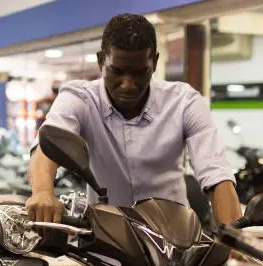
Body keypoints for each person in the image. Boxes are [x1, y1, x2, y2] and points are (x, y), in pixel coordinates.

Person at [27, 13, 241, 225]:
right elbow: (45, 148)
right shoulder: (80, 99)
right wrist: (43, 192)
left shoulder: (185, 102)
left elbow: (216, 174)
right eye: (117, 72)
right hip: (106, 243)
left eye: (140, 73)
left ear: (155, 63)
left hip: (175, 242)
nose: (128, 84)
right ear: (101, 62)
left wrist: (235, 238)